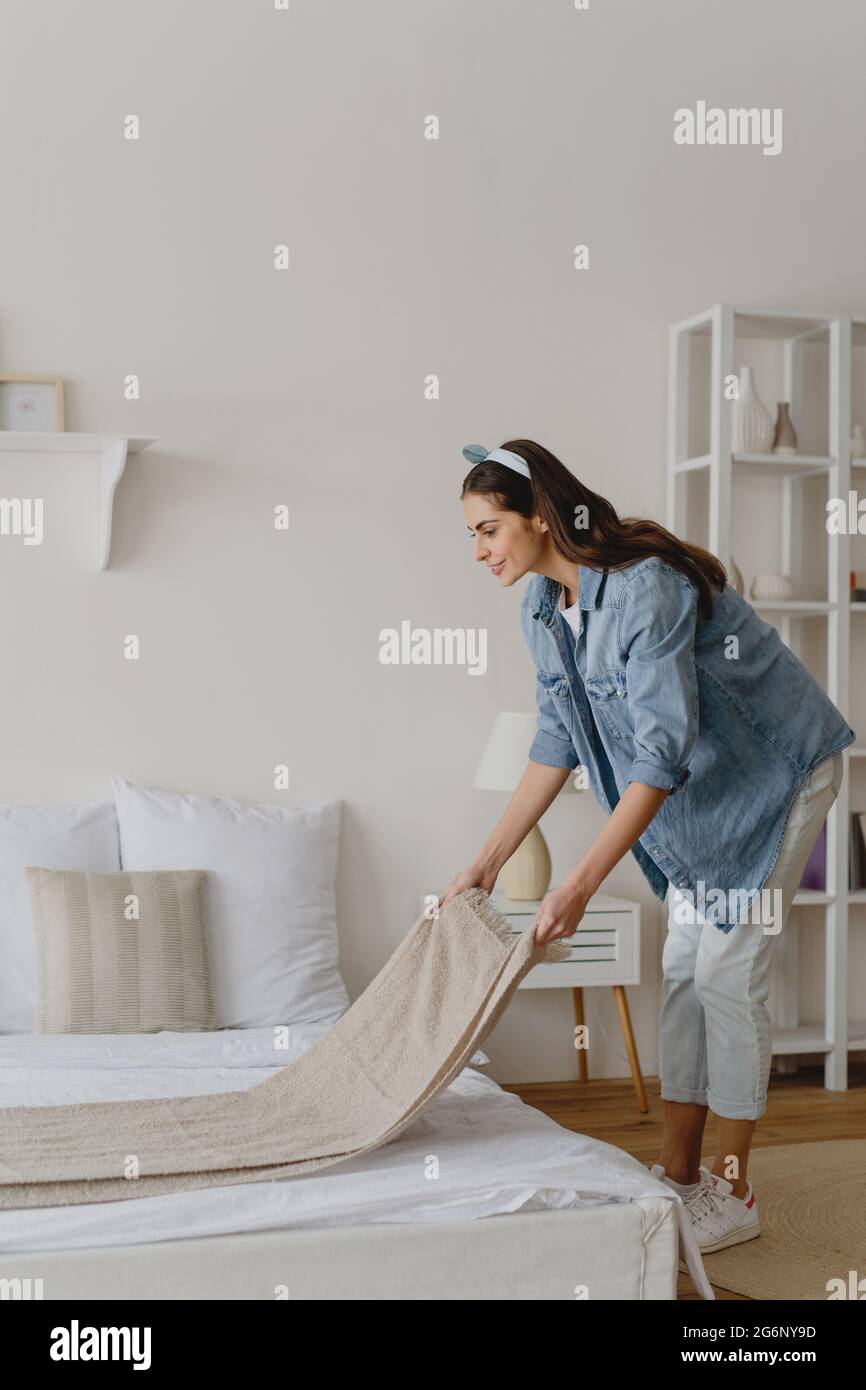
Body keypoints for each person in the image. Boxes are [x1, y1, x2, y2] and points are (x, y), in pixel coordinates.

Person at [440, 438, 855, 1254]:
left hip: (778, 777)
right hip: (703, 803)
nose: (480, 551)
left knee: (726, 971)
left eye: (489, 530)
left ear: (540, 516)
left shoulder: (646, 590)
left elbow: (657, 759)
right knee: (681, 973)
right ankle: (676, 1175)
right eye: (473, 535)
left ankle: (733, 1195)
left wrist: (580, 886)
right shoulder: (541, 611)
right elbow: (556, 743)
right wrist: (484, 865)